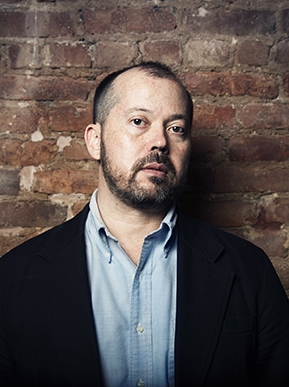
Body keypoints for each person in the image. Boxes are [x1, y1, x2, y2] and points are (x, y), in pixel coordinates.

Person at [0, 62, 289, 387]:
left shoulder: (251, 271)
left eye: (176, 128)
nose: (160, 142)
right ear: (95, 141)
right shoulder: (11, 279)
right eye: (139, 121)